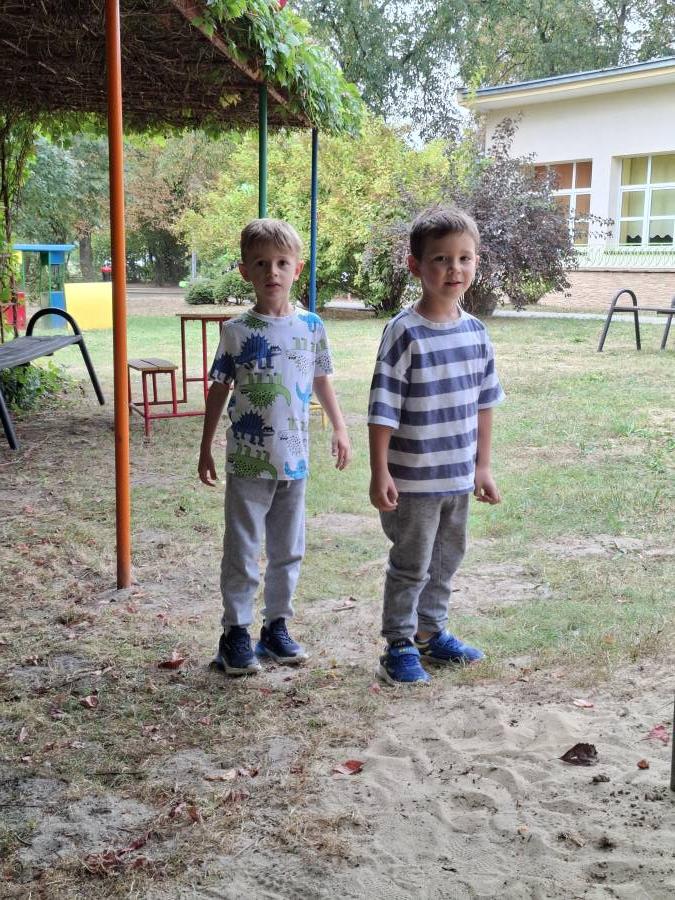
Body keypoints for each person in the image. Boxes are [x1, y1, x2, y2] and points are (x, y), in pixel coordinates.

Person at [198, 218, 351, 676]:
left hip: (294, 461)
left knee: (288, 549)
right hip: (248, 462)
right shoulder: (237, 331)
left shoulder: (311, 326)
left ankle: (276, 626)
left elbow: (321, 379)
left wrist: (340, 428)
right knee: (243, 550)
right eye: (261, 263)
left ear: (297, 269)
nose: (273, 272)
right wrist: (205, 446)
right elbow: (219, 388)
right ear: (245, 271)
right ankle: (235, 633)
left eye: (282, 263)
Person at [368, 206, 505, 684]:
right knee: (411, 565)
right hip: (413, 482)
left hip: (457, 477)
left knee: (446, 561)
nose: (454, 269)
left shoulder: (477, 333)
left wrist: (483, 466)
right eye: (441, 259)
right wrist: (380, 471)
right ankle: (399, 644)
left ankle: (431, 633)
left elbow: (485, 403)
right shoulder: (403, 332)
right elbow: (382, 408)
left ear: (476, 262)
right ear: (416, 265)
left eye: (464, 258)